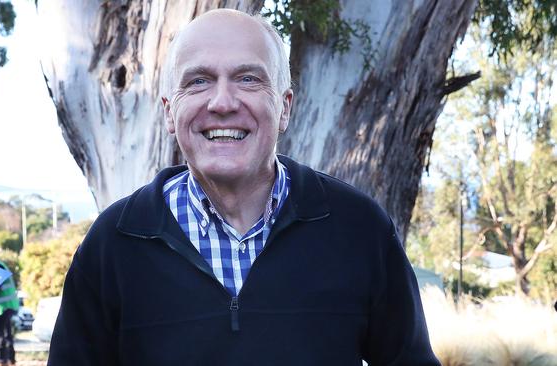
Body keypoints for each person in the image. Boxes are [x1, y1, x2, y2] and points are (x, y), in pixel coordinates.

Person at [48, 9, 440, 365]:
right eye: (199, 81)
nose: (222, 102)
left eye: (248, 79)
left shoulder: (360, 229)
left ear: (284, 107)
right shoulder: (113, 245)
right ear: (169, 111)